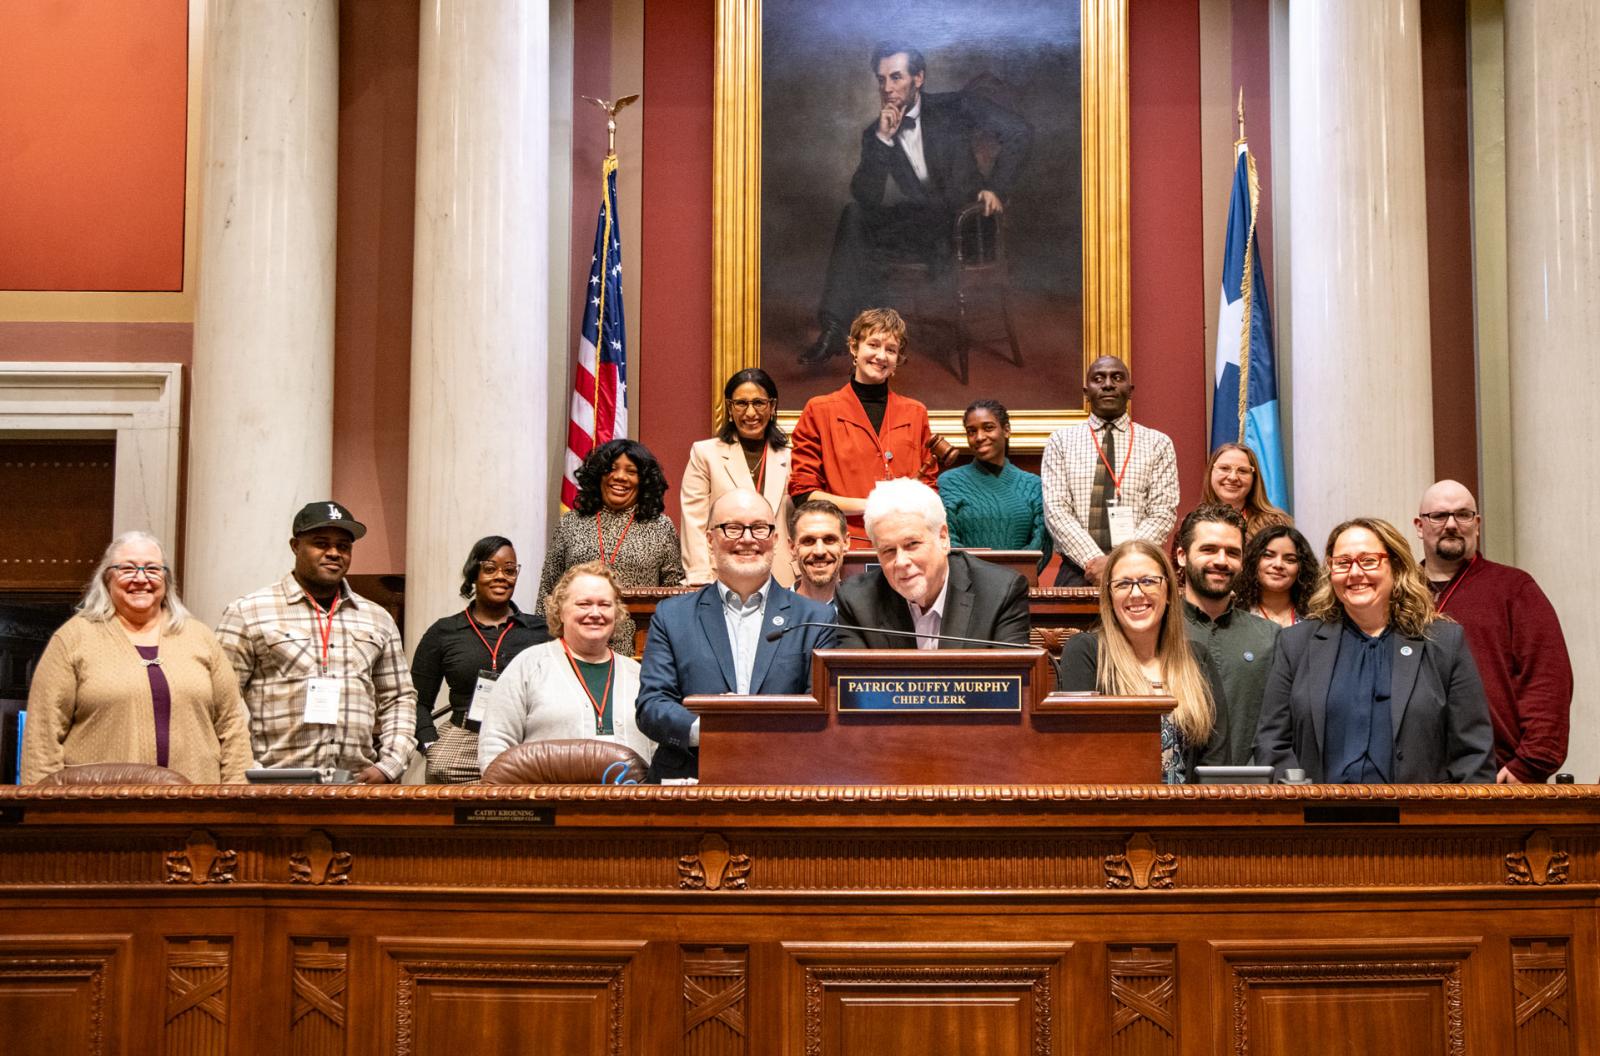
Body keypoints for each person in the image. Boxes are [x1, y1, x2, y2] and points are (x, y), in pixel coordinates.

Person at [801, 42, 1033, 363]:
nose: (887, 88)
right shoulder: (876, 132)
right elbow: (866, 196)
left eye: (896, 77)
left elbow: (1019, 132)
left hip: (968, 226)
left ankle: (867, 328)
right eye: (881, 80)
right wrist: (883, 141)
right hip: (925, 228)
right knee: (854, 214)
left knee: (896, 223)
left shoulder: (957, 106)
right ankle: (834, 328)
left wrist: (996, 187)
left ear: (919, 78)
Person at [1255, 517, 1495, 784]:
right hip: (1318, 819)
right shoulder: (1296, 643)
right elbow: (1272, 741)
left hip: (1419, 819)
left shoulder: (1443, 643)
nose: (1355, 573)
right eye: (1342, 563)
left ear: (1395, 566)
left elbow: (1474, 753)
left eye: (1368, 560)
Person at [21, 531, 252, 784]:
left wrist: (234, 800)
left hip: (194, 807)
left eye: (152, 569)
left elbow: (232, 727)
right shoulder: (73, 639)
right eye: (127, 569)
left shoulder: (200, 638)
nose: (141, 579)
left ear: (166, 580)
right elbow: (42, 734)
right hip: (100, 808)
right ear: (107, 577)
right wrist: (42, 806)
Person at [636, 489, 837, 780]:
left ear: (775, 540)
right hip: (692, 781)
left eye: (759, 528)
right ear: (709, 540)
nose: (747, 539)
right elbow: (652, 705)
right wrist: (713, 731)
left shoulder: (815, 619)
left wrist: (749, 729)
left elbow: (821, 710)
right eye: (732, 528)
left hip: (783, 782)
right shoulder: (672, 616)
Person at [216, 502, 417, 783]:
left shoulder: (377, 618)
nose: (334, 553)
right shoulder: (248, 611)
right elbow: (222, 701)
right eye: (321, 543)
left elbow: (399, 697)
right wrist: (245, 769)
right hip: (272, 785)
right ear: (295, 546)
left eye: (343, 546)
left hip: (356, 785)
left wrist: (390, 764)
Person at [1414, 480, 1572, 783]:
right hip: (1412, 777)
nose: (1451, 524)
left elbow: (1548, 680)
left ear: (1477, 524)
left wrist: (1528, 765)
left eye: (1463, 515)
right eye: (1439, 516)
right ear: (1420, 525)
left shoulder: (1513, 588)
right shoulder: (1399, 594)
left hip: (1496, 774)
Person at [1055, 539, 1229, 783]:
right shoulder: (1087, 652)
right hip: (1113, 813)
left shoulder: (1196, 657)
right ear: (1109, 596)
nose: (1136, 593)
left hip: (1192, 815)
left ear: (1168, 591)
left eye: (1148, 581)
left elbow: (1216, 761)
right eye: (1123, 584)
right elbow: (1079, 752)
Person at [476, 562, 653, 773]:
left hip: (630, 803)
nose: (595, 613)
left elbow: (660, 750)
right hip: (549, 802)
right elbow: (495, 745)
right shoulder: (529, 666)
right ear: (560, 611)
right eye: (584, 604)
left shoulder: (638, 675)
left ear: (617, 613)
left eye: (605, 604)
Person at [789, 308, 939, 546]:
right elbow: (804, 494)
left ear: (897, 360)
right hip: (846, 546)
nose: (881, 356)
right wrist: (873, 505)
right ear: (853, 347)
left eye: (891, 350)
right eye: (873, 344)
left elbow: (929, 490)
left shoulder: (916, 413)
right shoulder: (819, 410)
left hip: (906, 546)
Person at [411, 536, 552, 783]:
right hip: (463, 740)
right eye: (490, 569)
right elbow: (417, 701)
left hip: (524, 742)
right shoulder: (443, 632)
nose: (501, 576)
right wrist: (429, 743)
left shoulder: (542, 631)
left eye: (509, 570)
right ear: (474, 573)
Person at [833, 478, 1030, 649]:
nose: (901, 562)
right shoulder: (856, 601)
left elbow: (1010, 687)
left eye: (912, 544)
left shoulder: (999, 593)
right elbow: (855, 688)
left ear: (943, 538)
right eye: (888, 551)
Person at [537, 438, 686, 656]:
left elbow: (674, 595)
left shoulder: (661, 527)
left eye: (631, 471)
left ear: (643, 480)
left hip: (639, 650)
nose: (620, 477)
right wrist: (545, 648)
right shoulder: (571, 523)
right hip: (575, 649)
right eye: (612, 469)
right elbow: (548, 590)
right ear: (598, 475)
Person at [1041, 356, 1179, 586]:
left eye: (1117, 378)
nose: (1108, 384)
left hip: (1139, 570)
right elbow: (1056, 511)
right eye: (1098, 378)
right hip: (1079, 571)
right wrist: (1094, 562)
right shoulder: (1060, 441)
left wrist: (1121, 562)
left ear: (1130, 390)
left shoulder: (1158, 443)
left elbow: (1162, 512)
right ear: (1086, 392)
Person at [1173, 504, 1278, 765]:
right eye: (1208, 549)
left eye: (1232, 552)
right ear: (1182, 555)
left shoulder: (1271, 638)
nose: (1221, 561)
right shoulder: (1156, 632)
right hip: (1171, 794)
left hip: (1250, 794)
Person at [680, 368, 794, 587]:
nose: (750, 413)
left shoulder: (790, 458)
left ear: (772, 407)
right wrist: (699, 578)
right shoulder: (705, 454)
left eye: (759, 403)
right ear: (730, 408)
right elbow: (694, 522)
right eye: (741, 403)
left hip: (780, 576)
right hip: (722, 574)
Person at [939, 399, 1045, 551]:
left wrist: (1016, 574)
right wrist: (977, 573)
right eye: (972, 431)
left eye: (988, 428)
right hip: (966, 574)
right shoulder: (950, 482)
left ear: (1006, 430)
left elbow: (1041, 542)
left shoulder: (1033, 485)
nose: (979, 437)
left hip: (1021, 574)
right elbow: (946, 537)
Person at [1200, 442, 1291, 539]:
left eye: (1242, 471)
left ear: (1254, 479)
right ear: (1210, 472)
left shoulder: (1273, 525)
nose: (1233, 477)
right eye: (1224, 468)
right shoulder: (1195, 524)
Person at [1235, 524, 1317, 629]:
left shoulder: (1314, 617)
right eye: (1268, 555)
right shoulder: (1235, 614)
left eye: (1290, 560)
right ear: (1253, 561)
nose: (1278, 565)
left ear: (1302, 568)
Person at [788, 498, 849, 610]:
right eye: (808, 541)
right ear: (792, 547)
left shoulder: (864, 612)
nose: (819, 551)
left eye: (829, 539)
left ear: (845, 543)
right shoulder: (770, 608)